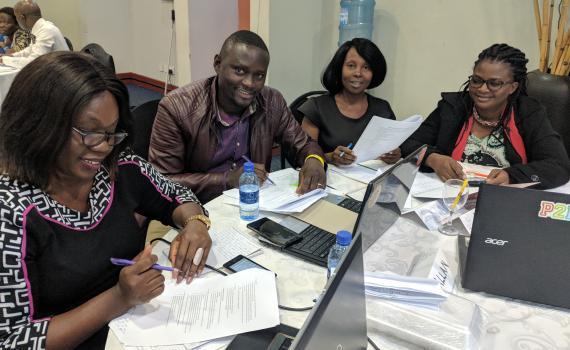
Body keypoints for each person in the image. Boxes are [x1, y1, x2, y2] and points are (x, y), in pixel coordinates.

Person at [0, 52, 212, 348]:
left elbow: (177, 194)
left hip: (138, 328)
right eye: (88, 132)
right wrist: (119, 297)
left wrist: (195, 223)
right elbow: (11, 339)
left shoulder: (117, 166)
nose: (102, 147)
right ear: (40, 124)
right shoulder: (12, 212)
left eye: (111, 133)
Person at [149, 30, 327, 203]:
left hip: (254, 203)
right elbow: (161, 181)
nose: (249, 83)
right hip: (195, 206)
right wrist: (227, 180)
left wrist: (314, 159)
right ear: (218, 64)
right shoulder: (177, 107)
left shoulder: (272, 101)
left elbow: (303, 144)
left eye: (259, 75)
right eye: (239, 71)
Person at [400, 43, 570, 189]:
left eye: (494, 83)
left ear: (512, 87)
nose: (482, 89)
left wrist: (511, 176)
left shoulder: (529, 113)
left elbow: (558, 166)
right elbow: (408, 142)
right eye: (477, 80)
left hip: (503, 201)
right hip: (450, 199)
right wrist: (432, 158)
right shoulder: (453, 106)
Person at [299, 38, 401, 166]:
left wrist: (395, 154)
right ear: (339, 68)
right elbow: (303, 157)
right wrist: (331, 157)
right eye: (351, 65)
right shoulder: (316, 107)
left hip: (372, 180)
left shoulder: (382, 109)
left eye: (366, 67)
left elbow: (392, 147)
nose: (358, 73)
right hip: (331, 181)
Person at [0, 0, 68, 69]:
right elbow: (30, 50)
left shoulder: (46, 30)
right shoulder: (39, 28)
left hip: (62, 74)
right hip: (54, 70)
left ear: (22, 17)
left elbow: (35, 61)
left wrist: (4, 60)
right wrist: (12, 56)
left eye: (16, 18)